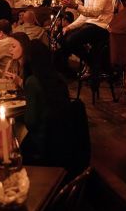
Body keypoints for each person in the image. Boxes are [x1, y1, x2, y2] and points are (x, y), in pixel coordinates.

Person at [21, 40, 90, 178]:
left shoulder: (32, 82)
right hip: (63, 143)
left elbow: (31, 121)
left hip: (43, 144)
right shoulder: (59, 78)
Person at [59, 0, 113, 78]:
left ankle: (93, 64)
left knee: (71, 40)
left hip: (101, 26)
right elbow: (85, 16)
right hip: (90, 25)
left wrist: (76, 6)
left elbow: (96, 12)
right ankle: (90, 64)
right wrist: (69, 27)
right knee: (63, 38)